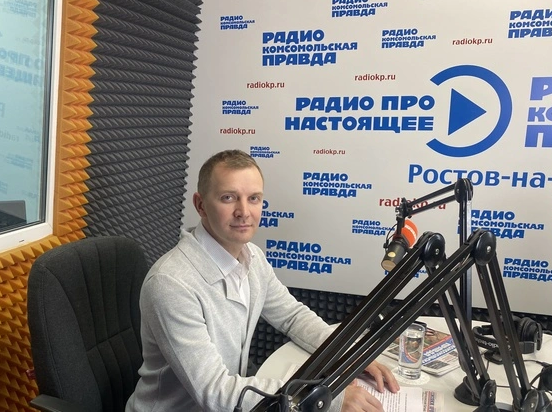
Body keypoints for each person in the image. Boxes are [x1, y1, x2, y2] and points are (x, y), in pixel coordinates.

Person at [125, 149, 399, 412]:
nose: (244, 211)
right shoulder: (171, 283)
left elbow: (292, 316)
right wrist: (322, 400)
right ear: (200, 205)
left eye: (254, 198)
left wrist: (347, 353)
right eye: (228, 198)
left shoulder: (253, 257)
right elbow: (215, 392)